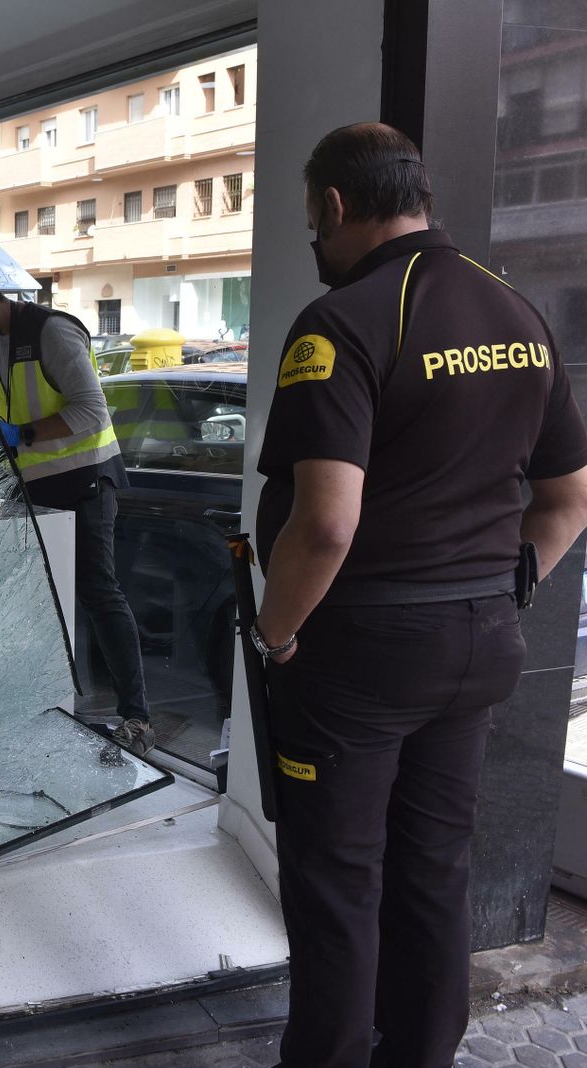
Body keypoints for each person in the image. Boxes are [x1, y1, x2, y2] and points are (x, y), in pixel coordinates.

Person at [253, 122, 587, 1067]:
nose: (312, 241)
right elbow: (570, 498)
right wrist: (497, 589)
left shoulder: (344, 321)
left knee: (336, 882)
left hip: (360, 655)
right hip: (480, 643)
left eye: (311, 221)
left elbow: (324, 524)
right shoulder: (516, 311)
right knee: (436, 872)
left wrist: (277, 635)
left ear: (335, 205)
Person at [0, 265, 153, 755]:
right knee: (8, 587)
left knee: (99, 594)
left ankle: (136, 719)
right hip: (34, 486)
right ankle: (35, 699)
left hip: (86, 482)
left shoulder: (52, 332)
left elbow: (91, 411)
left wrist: (21, 435)